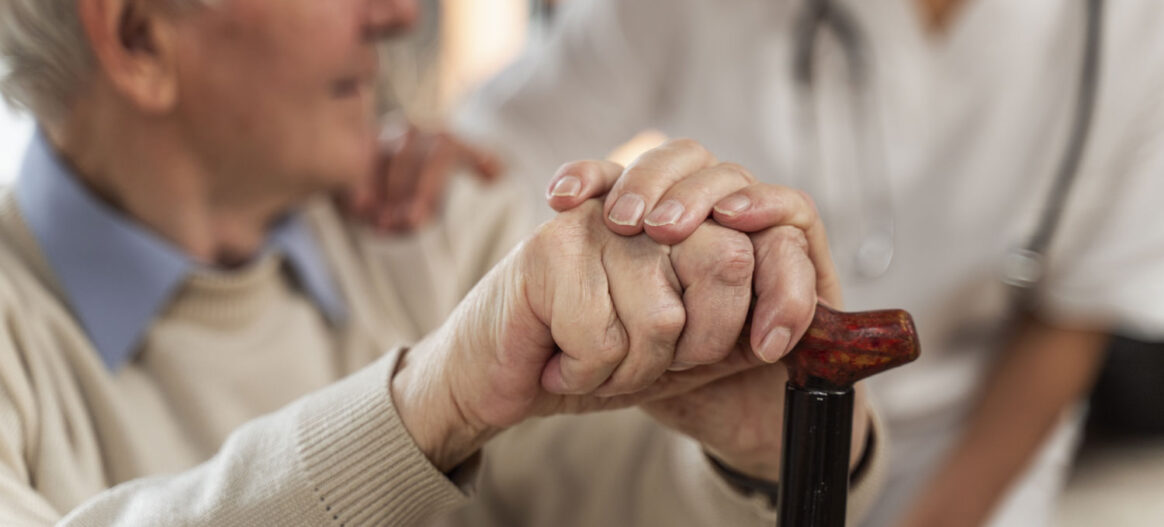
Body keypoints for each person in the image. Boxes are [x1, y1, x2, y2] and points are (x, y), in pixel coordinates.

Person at [0, 0, 886, 525]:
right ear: (138, 37)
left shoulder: (436, 228)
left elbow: (646, 501)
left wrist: (771, 444)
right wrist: (428, 403)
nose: (396, 14)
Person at [453, 0, 1164, 525]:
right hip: (740, 452)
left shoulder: (1125, 31)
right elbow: (493, 148)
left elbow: (1074, 310)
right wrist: (422, 159)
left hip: (972, 455)